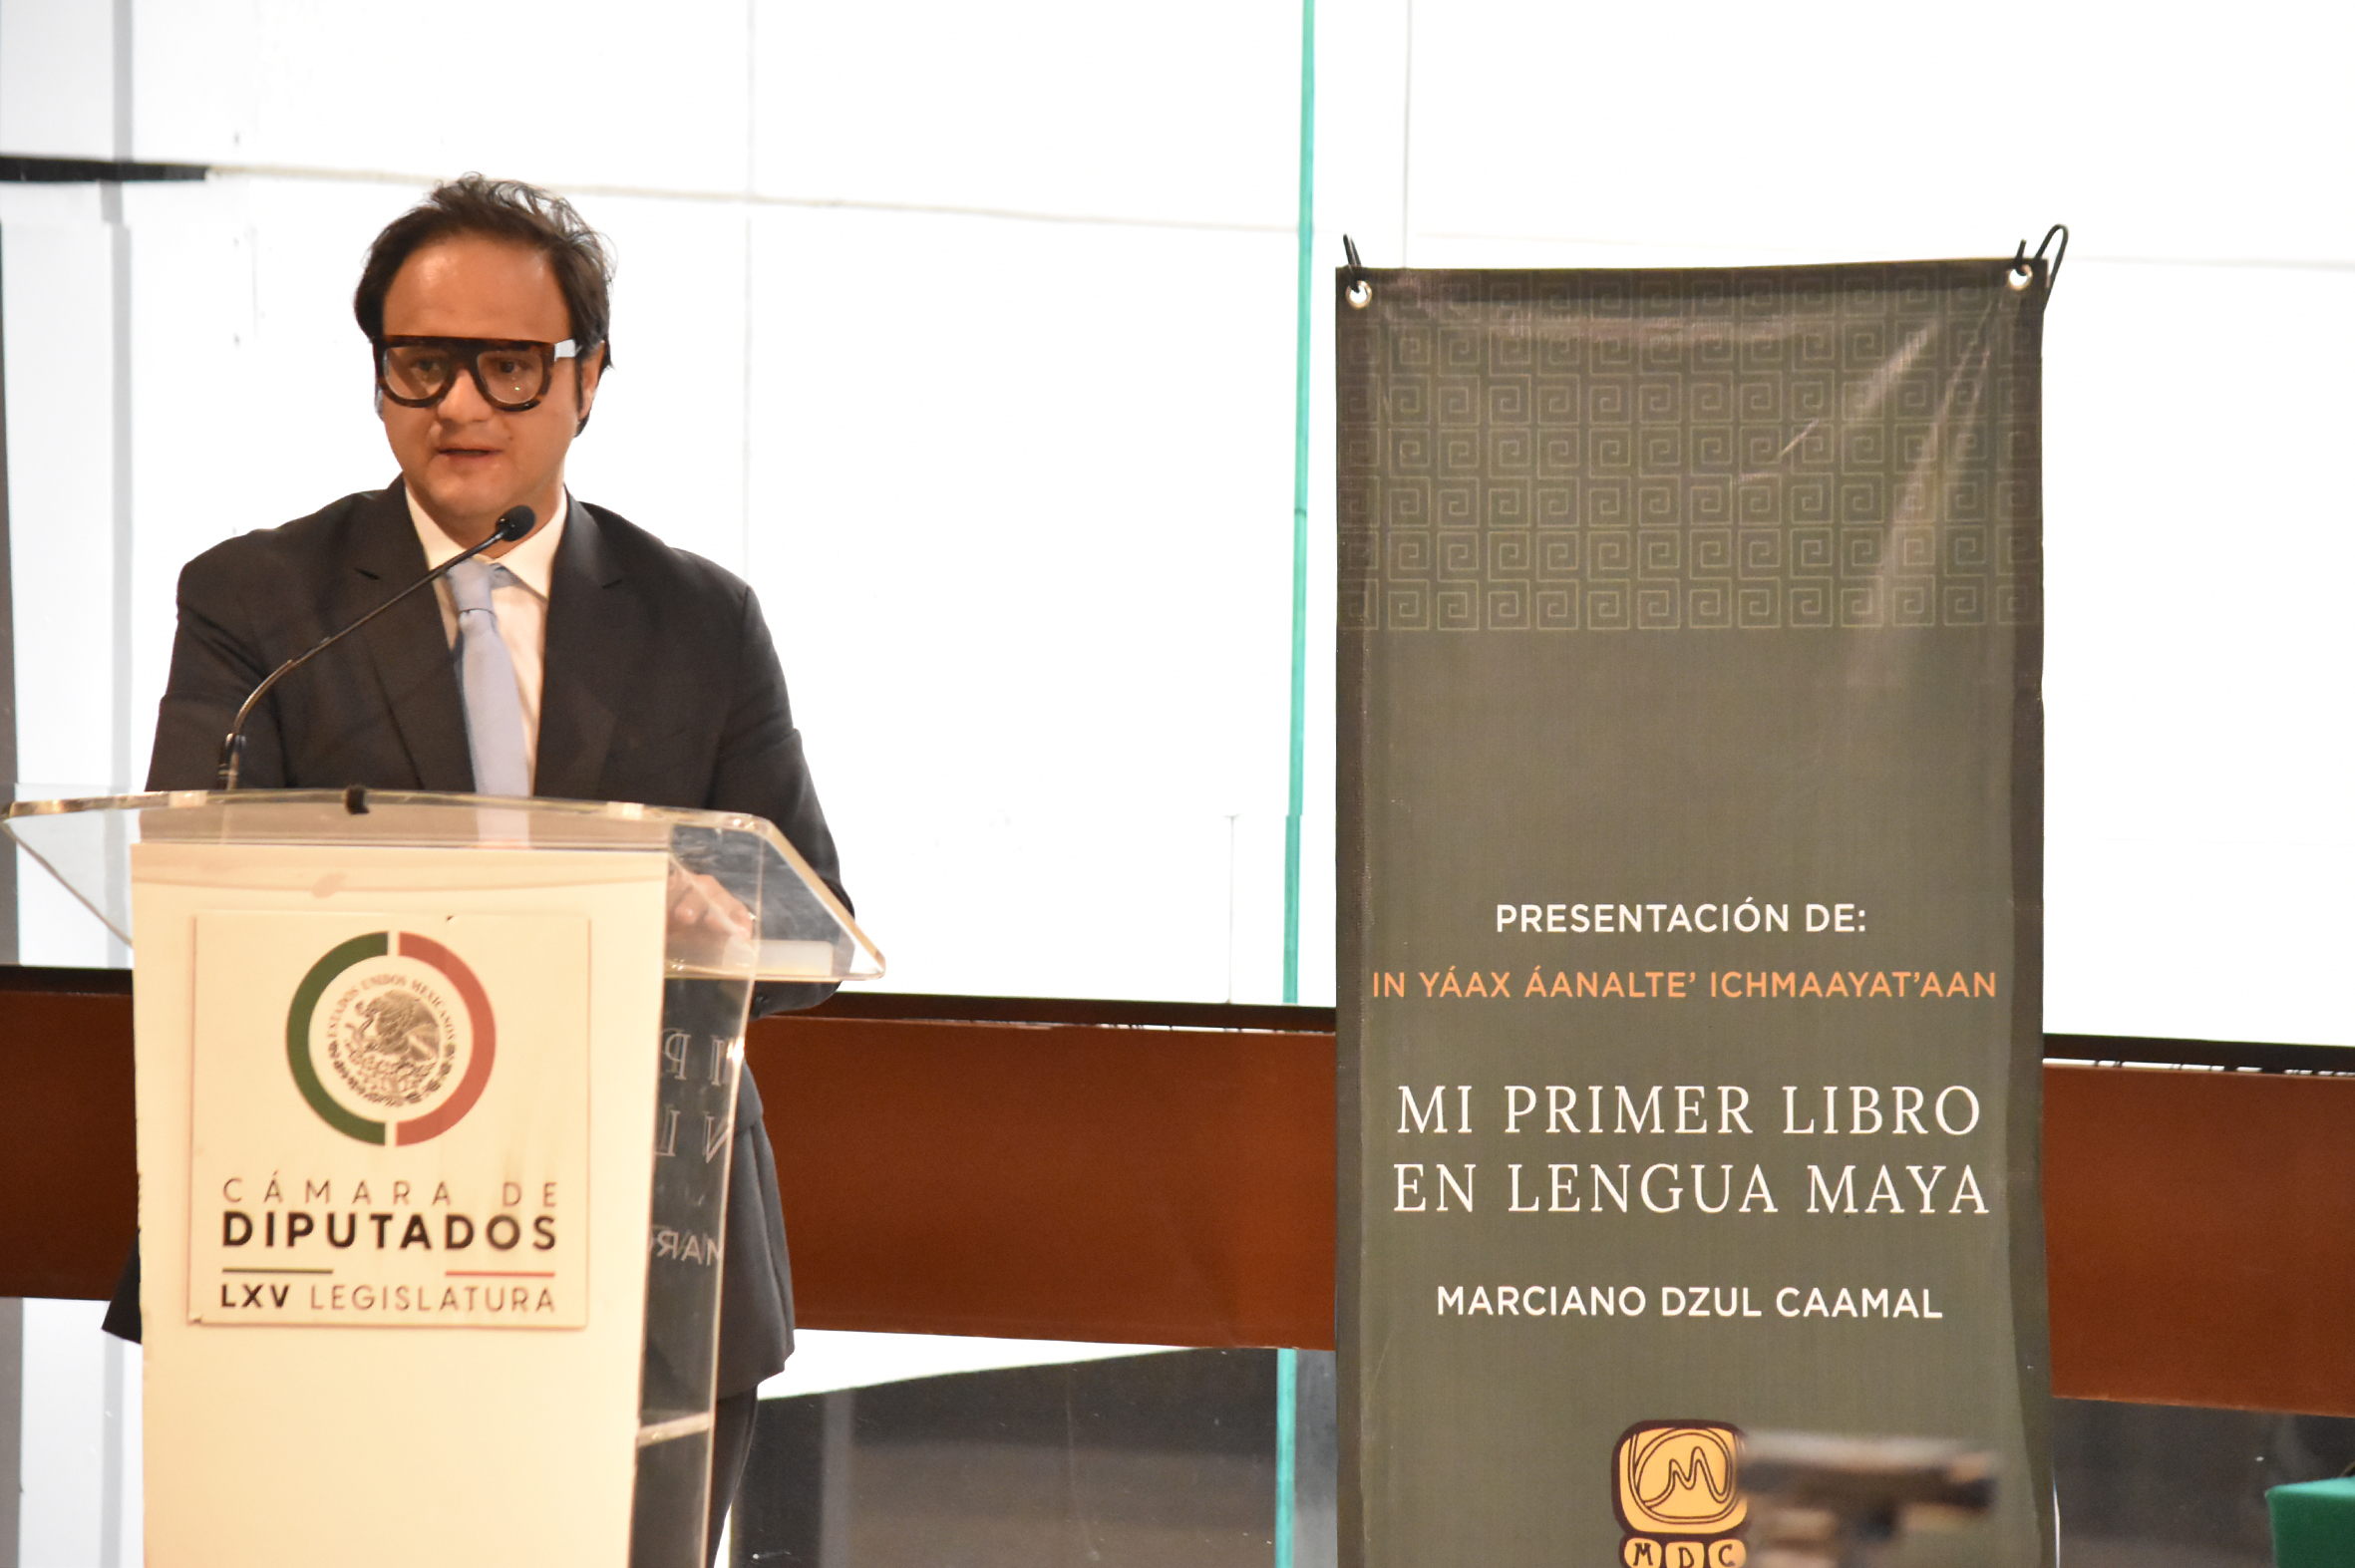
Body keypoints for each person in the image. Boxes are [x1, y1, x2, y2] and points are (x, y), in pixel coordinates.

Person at [119, 173, 840, 1563]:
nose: (458, 403)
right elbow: (194, 893)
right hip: (329, 1234)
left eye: (509, 365)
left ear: (589, 379)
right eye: (420, 362)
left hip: (645, 1246)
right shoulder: (259, 602)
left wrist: (711, 922)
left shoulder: (701, 620)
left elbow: (808, 922)